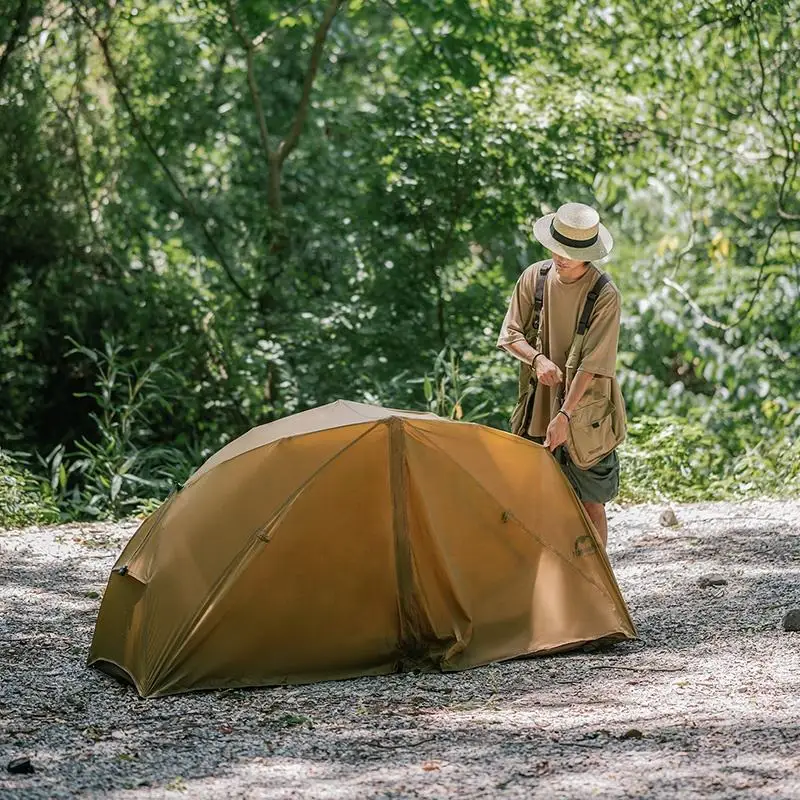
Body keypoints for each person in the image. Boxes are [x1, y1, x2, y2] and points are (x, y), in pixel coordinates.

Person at [496, 202, 627, 546]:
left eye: (572, 251)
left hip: (586, 413)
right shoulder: (534, 278)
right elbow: (509, 336)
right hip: (537, 407)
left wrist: (565, 415)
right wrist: (537, 359)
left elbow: (594, 365)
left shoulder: (604, 295)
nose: (561, 257)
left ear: (589, 253)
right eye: (557, 247)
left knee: (590, 503)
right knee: (533, 501)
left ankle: (599, 590)